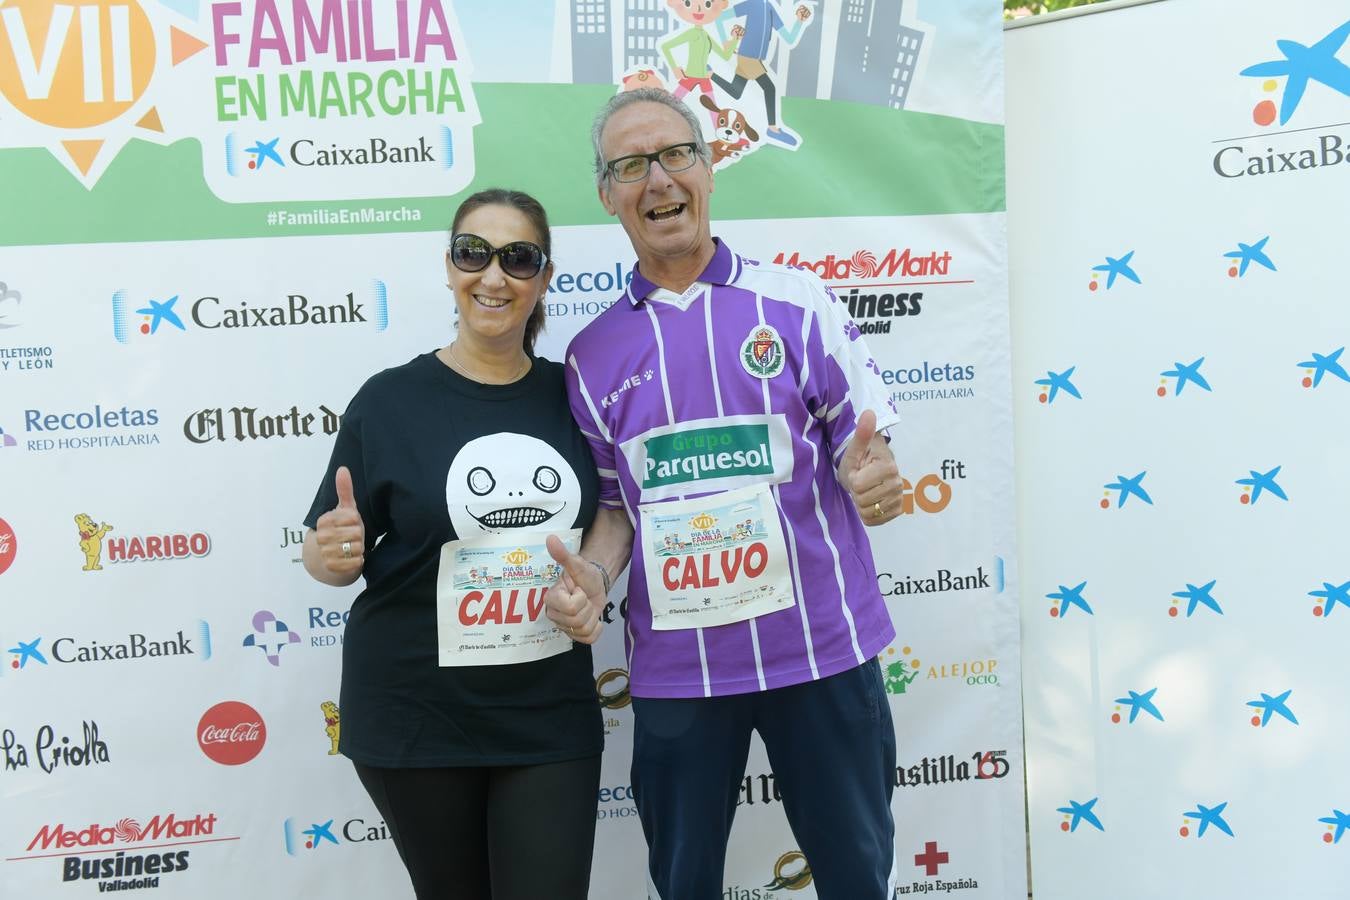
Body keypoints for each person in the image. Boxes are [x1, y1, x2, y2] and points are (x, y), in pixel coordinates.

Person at [544, 87, 905, 899]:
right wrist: (594, 582)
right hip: (679, 673)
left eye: (676, 154)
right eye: (631, 165)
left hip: (821, 653)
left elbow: (867, 452)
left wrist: (874, 482)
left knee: (856, 877)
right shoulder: (591, 355)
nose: (659, 180)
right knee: (685, 883)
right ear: (607, 195)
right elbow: (615, 511)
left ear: (708, 169)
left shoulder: (797, 303)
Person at [302, 188, 610, 900]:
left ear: (544, 277)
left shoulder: (579, 397)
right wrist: (333, 553)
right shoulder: (388, 401)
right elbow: (326, 554)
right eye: (474, 253)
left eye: (518, 258)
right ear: (449, 267)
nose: (494, 276)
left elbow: (618, 514)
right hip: (415, 715)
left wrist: (592, 580)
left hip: (546, 715)